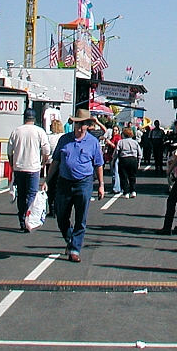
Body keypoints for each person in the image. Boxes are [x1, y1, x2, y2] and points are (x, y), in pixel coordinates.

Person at [46, 109, 105, 262]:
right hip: (64, 182)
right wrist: (46, 181)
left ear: (87, 126)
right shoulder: (64, 140)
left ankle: (75, 249)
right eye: (77, 125)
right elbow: (56, 161)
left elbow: (98, 164)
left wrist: (101, 185)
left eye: (82, 125)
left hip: (84, 182)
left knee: (81, 218)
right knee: (61, 216)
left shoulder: (93, 142)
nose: (79, 128)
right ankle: (70, 239)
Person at [7, 107, 50, 232]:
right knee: (32, 194)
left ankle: (21, 219)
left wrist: (12, 164)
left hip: (19, 167)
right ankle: (29, 219)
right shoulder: (39, 131)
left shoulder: (16, 131)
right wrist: (43, 162)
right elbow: (46, 150)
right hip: (33, 167)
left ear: (24, 118)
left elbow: (9, 151)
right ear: (34, 119)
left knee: (21, 194)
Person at [115, 127, 142, 198]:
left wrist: (114, 159)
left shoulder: (120, 142)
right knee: (132, 176)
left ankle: (126, 192)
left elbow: (116, 152)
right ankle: (133, 191)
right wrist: (138, 162)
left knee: (124, 176)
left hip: (124, 159)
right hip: (133, 159)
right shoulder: (135, 142)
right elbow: (140, 153)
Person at [104, 125, 123, 195]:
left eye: (116, 130)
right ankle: (115, 187)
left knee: (115, 172)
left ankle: (116, 188)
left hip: (115, 156)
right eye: (113, 130)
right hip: (111, 156)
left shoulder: (118, 138)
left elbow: (117, 147)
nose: (114, 131)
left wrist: (110, 143)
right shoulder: (113, 137)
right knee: (113, 172)